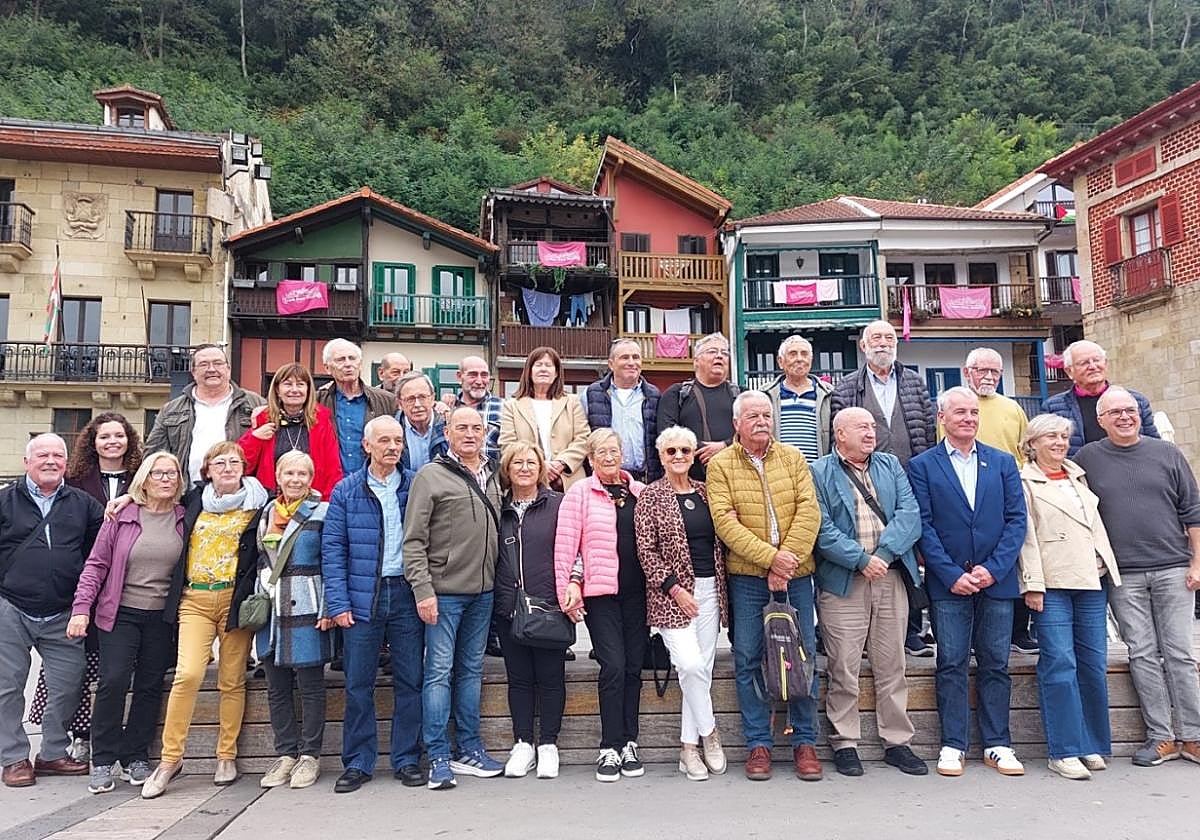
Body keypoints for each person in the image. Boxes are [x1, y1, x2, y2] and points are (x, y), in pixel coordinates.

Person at [1075, 386, 1200, 767]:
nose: (1124, 417)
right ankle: (1161, 737)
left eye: (1129, 410)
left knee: (1179, 653)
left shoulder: (1166, 453)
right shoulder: (1087, 459)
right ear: (1101, 421)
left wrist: (1197, 563)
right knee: (1142, 653)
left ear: (1139, 414)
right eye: (1114, 413)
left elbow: (1192, 510)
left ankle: (1193, 736)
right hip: (1122, 575)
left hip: (1174, 568)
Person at [908, 386, 1027, 778]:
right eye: (960, 412)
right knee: (952, 663)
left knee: (996, 663)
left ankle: (998, 744)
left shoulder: (1003, 462)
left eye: (974, 413)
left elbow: (1016, 520)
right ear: (942, 417)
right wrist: (951, 573)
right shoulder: (923, 465)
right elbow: (923, 525)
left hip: (996, 580)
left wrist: (994, 568)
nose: (969, 419)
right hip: (949, 584)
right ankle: (952, 745)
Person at [140, 442, 269, 798]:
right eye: (219, 462)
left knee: (231, 680)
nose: (227, 467)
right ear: (207, 470)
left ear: (244, 467)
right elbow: (155, 504)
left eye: (234, 462)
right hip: (194, 598)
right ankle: (170, 759)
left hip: (235, 600)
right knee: (188, 674)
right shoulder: (193, 501)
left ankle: (226, 754)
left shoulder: (260, 502)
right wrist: (123, 501)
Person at [707, 392, 822, 782]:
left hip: (797, 574)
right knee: (749, 658)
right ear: (736, 423)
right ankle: (759, 743)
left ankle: (805, 741)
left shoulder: (792, 458)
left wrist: (786, 559)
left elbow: (809, 510)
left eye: (767, 415)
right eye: (753, 415)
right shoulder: (721, 465)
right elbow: (725, 523)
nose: (762, 421)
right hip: (749, 578)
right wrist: (770, 559)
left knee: (803, 655)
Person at [810, 408, 927, 777]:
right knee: (842, 664)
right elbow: (820, 527)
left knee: (892, 663)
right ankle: (844, 742)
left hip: (889, 576)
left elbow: (910, 514)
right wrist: (860, 559)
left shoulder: (891, 465)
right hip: (845, 580)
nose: (870, 432)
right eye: (861, 427)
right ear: (839, 433)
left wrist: (884, 554)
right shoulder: (819, 471)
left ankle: (897, 741)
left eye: (872, 427)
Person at [25, 412, 143, 765]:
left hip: (129, 581)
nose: (112, 442)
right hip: (84, 579)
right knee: (78, 660)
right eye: (104, 436)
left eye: (118, 436)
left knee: (117, 663)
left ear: (129, 440)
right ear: (93, 442)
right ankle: (79, 734)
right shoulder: (75, 480)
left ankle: (114, 732)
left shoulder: (141, 479)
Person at [67, 452, 185, 793]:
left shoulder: (183, 516)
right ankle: (102, 759)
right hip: (120, 612)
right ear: (144, 479)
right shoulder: (121, 516)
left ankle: (135, 755)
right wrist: (81, 608)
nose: (165, 479)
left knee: (149, 685)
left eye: (172, 473)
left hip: (162, 616)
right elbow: (96, 565)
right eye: (157, 473)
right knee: (113, 681)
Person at [405, 406, 505, 790]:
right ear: (446, 432)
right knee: (438, 674)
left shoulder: (493, 474)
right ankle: (439, 756)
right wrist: (423, 590)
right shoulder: (431, 476)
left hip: (483, 592)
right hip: (443, 595)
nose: (469, 434)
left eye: (476, 428)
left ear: (485, 433)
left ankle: (469, 748)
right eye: (461, 427)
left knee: (471, 673)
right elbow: (413, 540)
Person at [321, 416, 423, 793]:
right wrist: (338, 602)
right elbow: (333, 550)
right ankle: (359, 762)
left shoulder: (416, 485)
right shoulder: (346, 490)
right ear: (367, 446)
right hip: (363, 597)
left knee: (410, 681)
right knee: (358, 684)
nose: (393, 447)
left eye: (397, 440)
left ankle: (408, 758)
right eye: (384, 441)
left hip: (407, 594)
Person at [1017, 414, 1121, 780]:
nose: (1059, 442)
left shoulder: (1077, 475)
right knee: (1060, 662)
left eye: (1063, 436)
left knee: (1093, 662)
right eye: (1050, 436)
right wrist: (1032, 583)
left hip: (1093, 578)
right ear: (1032, 443)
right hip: (1054, 582)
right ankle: (1063, 749)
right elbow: (1025, 534)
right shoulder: (1025, 480)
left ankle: (1091, 742)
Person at [0, 434, 103, 788]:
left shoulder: (83, 504)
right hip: (11, 606)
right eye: (42, 454)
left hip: (63, 611)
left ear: (66, 463)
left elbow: (98, 552)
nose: (50, 461)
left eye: (58, 455)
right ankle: (13, 758)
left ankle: (52, 752)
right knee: (7, 686)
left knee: (67, 684)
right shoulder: (4, 501)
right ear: (27, 461)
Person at [830, 320, 936, 657]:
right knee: (868, 549)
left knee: (908, 550)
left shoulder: (915, 383)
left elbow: (928, 431)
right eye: (876, 337)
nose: (884, 343)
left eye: (889, 337)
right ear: (863, 345)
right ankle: (867, 633)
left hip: (909, 475)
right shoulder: (847, 388)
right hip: (861, 479)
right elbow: (836, 434)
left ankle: (912, 630)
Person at [633, 425, 727, 781]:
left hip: (710, 589)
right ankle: (709, 734)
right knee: (689, 666)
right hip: (671, 595)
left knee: (702, 670)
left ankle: (688, 751)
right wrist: (675, 589)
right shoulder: (651, 496)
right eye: (671, 451)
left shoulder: (705, 492)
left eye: (685, 451)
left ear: (692, 456)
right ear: (660, 456)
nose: (678, 457)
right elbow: (646, 550)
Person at [555, 429, 648, 782]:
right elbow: (566, 546)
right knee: (613, 665)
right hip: (600, 594)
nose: (609, 458)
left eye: (614, 451)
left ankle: (630, 743)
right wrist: (568, 587)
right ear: (591, 459)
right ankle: (609, 746)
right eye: (601, 453)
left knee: (633, 669)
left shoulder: (639, 492)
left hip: (637, 594)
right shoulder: (580, 493)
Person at [254, 451, 332, 791]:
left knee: (311, 685)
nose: (296, 479)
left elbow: (332, 562)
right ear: (278, 476)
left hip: (307, 603)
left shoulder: (323, 512)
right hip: (272, 607)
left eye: (302, 473)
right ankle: (285, 752)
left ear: (311, 478)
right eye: (289, 473)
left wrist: (328, 606)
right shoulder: (267, 512)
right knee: (277, 686)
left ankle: (310, 755)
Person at [953, 348, 1036, 654]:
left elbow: (1025, 451)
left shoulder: (1012, 408)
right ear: (967, 371)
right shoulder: (957, 404)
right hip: (966, 491)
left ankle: (1019, 630)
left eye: (995, 372)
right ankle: (975, 634)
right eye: (981, 370)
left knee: (1011, 556)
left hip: (1007, 489)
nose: (988, 377)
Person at [494, 441, 567, 779]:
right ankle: (523, 743)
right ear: (507, 470)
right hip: (509, 607)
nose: (524, 468)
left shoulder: (558, 504)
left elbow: (574, 549)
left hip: (549, 605)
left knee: (551, 678)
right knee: (519, 679)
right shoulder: (497, 508)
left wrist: (572, 587)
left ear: (541, 469)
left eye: (531, 462)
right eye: (517, 463)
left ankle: (548, 744)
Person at [145, 344, 265, 485]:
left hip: (241, 494)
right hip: (186, 495)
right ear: (194, 372)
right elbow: (153, 455)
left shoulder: (256, 403)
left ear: (228, 369)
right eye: (204, 364)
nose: (211, 369)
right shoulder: (171, 409)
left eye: (218, 363)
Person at [239, 363, 342, 500]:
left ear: (308, 390)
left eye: (300, 384)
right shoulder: (263, 419)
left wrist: (327, 503)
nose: (294, 390)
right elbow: (241, 466)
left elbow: (332, 468)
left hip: (312, 502)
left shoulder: (321, 421)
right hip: (270, 502)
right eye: (287, 384)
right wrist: (254, 438)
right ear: (277, 390)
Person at [1042, 340, 1159, 456]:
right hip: (1081, 473)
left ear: (1105, 364)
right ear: (1069, 371)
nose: (1093, 367)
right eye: (1084, 363)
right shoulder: (1053, 409)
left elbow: (1154, 445)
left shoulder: (1136, 401)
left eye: (1097, 360)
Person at [499, 346, 590, 491]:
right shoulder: (512, 406)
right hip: (528, 481)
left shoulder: (572, 402)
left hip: (569, 482)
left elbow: (583, 438)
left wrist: (561, 463)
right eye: (538, 365)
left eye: (548, 365)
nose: (543, 369)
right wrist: (541, 465)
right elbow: (508, 444)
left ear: (556, 373)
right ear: (529, 372)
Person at [657, 333, 739, 481]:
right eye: (712, 351)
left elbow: (753, 432)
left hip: (734, 479)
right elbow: (666, 433)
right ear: (696, 361)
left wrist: (725, 446)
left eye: (724, 353)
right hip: (689, 482)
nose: (720, 356)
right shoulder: (677, 394)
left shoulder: (741, 396)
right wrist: (702, 449)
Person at [582, 338, 662, 483]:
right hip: (605, 479)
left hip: (645, 479)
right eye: (625, 357)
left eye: (636, 357)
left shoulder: (654, 395)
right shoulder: (592, 394)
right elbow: (583, 437)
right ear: (611, 364)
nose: (631, 362)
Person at [316, 338, 395, 476]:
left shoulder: (387, 400)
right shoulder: (316, 401)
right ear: (327, 368)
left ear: (360, 364)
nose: (348, 364)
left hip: (372, 482)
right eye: (340, 360)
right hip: (331, 485)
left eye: (352, 358)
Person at [763, 335, 834, 462]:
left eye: (804, 354)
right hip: (779, 473)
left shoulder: (829, 394)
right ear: (780, 361)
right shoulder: (765, 395)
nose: (799, 359)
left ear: (811, 360)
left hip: (817, 474)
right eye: (793, 354)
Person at [396, 372, 448, 472]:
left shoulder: (448, 427)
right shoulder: (392, 431)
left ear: (432, 398)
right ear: (400, 403)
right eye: (410, 399)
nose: (417, 404)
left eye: (422, 397)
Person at [455, 355, 503, 462]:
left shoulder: (504, 408)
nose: (479, 381)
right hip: (454, 476)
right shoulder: (450, 408)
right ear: (459, 377)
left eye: (484, 375)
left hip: (492, 476)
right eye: (473, 375)